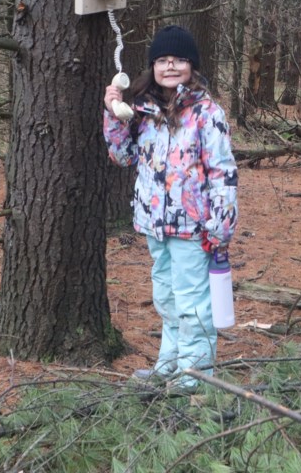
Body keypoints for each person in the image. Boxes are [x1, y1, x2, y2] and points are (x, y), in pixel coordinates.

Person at [102, 25, 238, 393]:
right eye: (162, 60)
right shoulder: (144, 111)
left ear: (191, 65)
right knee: (166, 297)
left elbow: (222, 172)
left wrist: (221, 225)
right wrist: (114, 113)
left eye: (178, 60)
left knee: (193, 302)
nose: (170, 66)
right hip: (154, 224)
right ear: (153, 67)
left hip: (195, 227)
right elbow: (122, 155)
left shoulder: (207, 113)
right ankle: (170, 363)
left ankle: (195, 375)